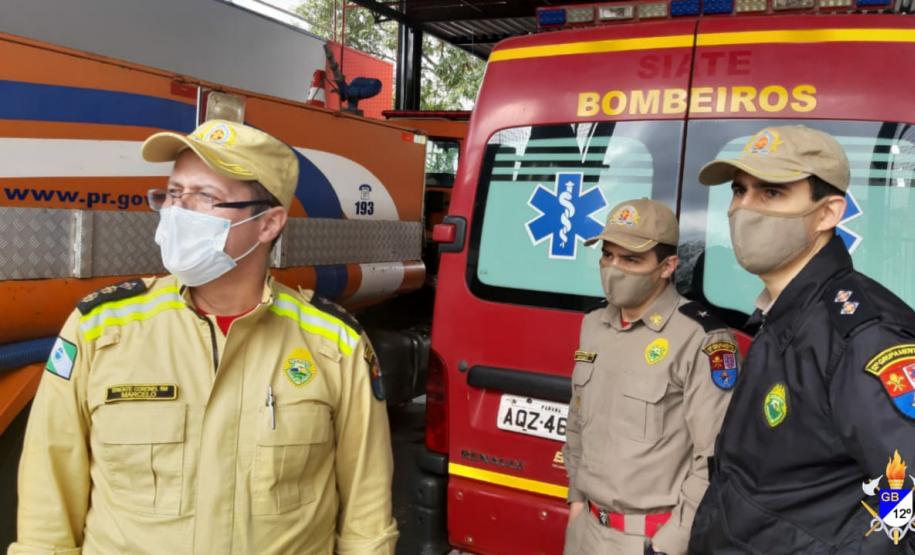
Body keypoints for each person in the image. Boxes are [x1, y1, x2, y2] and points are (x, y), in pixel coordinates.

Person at [10, 119, 398, 554]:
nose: (178, 213)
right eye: (173, 194)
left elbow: (367, 519)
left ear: (268, 224)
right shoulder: (100, 329)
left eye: (205, 197)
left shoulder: (335, 344)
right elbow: (47, 506)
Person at [689, 125, 915, 553]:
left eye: (772, 192)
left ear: (827, 213)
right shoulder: (785, 313)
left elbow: (906, 498)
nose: (744, 208)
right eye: (739, 191)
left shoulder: (863, 335)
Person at [563, 199, 738, 555]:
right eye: (607, 255)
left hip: (648, 541)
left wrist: (669, 543)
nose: (614, 268)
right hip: (585, 530)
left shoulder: (701, 338)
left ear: (667, 267)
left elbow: (714, 459)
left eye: (631, 260)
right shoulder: (594, 324)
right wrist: (576, 501)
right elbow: (578, 422)